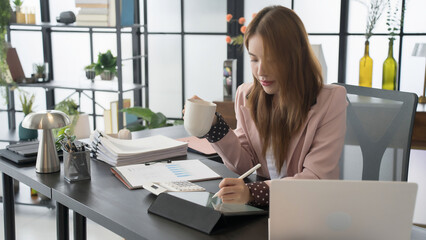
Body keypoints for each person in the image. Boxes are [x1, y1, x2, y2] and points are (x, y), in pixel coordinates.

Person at [186, 5, 347, 207]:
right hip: (265, 210)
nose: (261, 71)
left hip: (313, 209)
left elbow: (315, 178)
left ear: (295, 57)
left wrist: (254, 193)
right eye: (254, 59)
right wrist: (213, 126)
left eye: (272, 59)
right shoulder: (246, 94)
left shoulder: (331, 100)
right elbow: (244, 165)